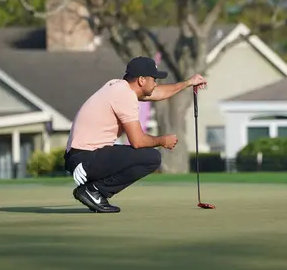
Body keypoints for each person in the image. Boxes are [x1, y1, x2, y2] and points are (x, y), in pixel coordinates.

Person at [64, 56, 207, 213]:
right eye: (154, 79)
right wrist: (163, 140)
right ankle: (94, 191)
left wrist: (188, 83)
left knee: (147, 156)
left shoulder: (119, 87)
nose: (156, 83)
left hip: (84, 155)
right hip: (85, 158)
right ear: (141, 80)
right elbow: (137, 141)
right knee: (150, 158)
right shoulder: (123, 95)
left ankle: (93, 190)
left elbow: (159, 93)